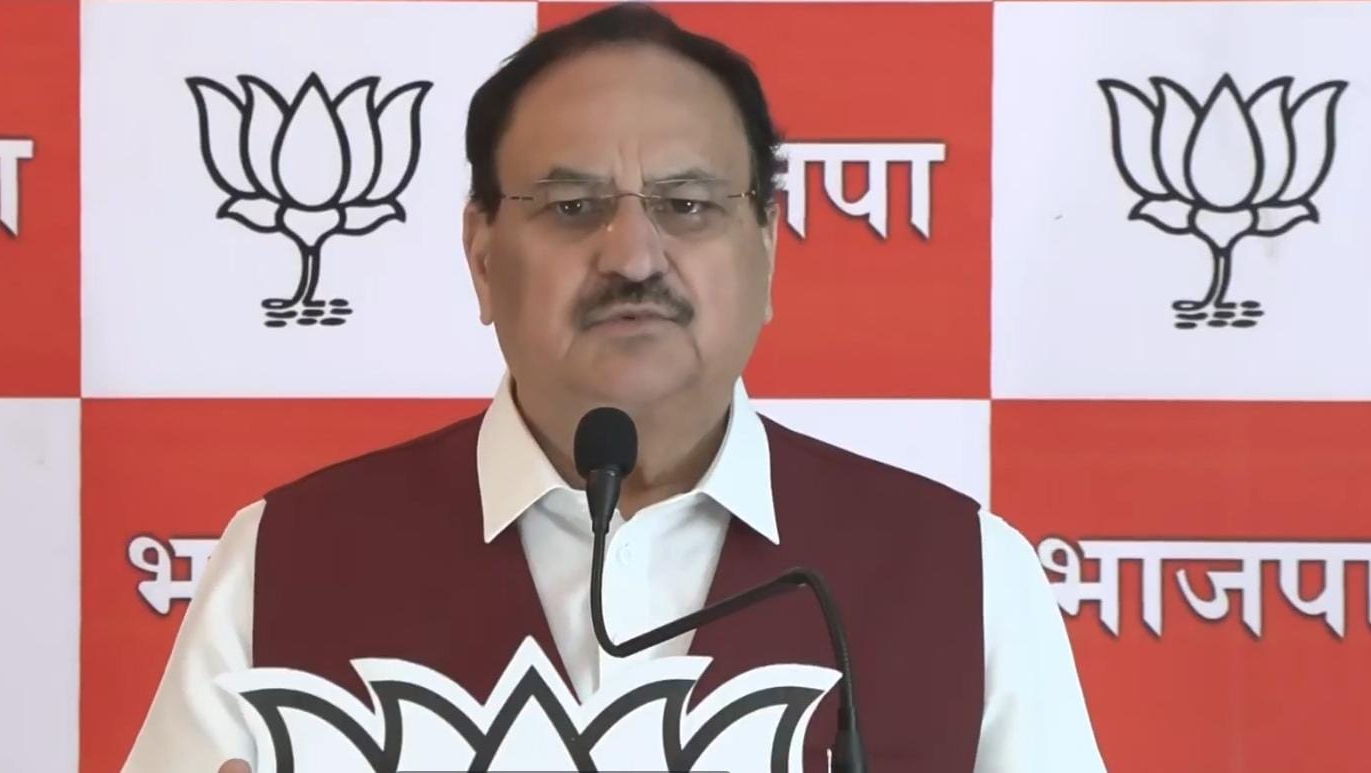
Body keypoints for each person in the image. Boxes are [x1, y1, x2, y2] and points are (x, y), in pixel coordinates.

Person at [122, 3, 1105, 772]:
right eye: (571, 206)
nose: (633, 255)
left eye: (687, 205)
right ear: (480, 254)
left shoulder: (962, 572)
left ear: (765, 247)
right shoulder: (289, 558)